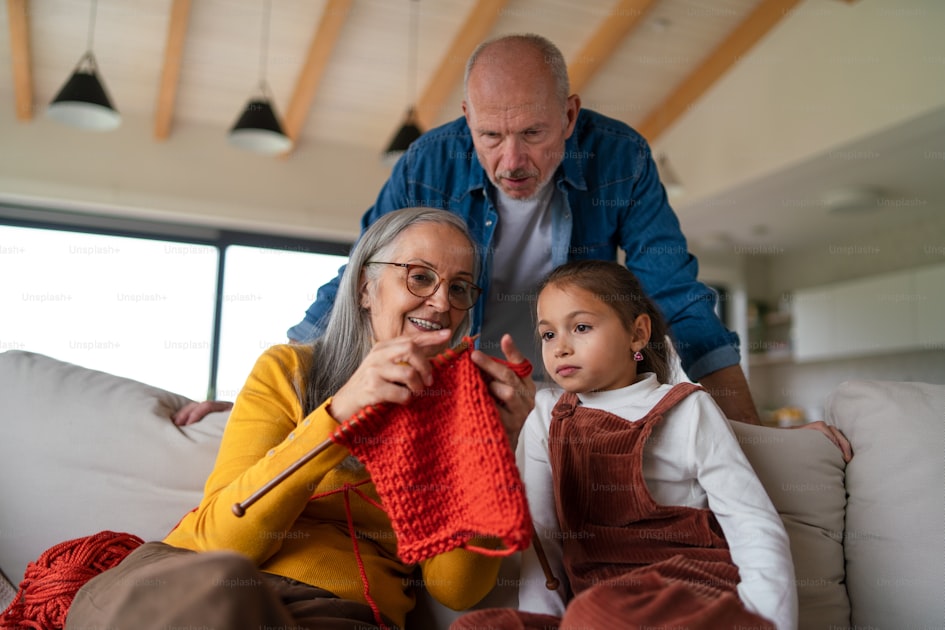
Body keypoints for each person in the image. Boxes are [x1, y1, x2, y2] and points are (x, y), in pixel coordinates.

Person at [284, 32, 849, 460]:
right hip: (457, 384)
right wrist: (269, 403)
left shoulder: (621, 157)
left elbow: (676, 294)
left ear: (569, 115)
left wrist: (753, 437)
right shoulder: (427, 162)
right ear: (467, 120)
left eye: (533, 133)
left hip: (577, 391)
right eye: (491, 136)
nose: (512, 162)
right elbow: (358, 278)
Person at [65, 208, 537, 630]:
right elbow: (221, 542)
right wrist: (337, 416)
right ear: (364, 288)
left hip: (334, 613)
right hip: (191, 587)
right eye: (419, 277)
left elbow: (457, 590)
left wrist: (493, 447)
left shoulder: (454, 419)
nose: (441, 303)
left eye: (459, 288)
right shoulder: (288, 370)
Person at [452, 260, 798, 630]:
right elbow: (545, 542)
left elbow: (753, 524)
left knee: (597, 613)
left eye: (581, 327)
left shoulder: (687, 407)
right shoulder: (544, 414)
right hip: (592, 612)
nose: (560, 348)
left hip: (692, 598)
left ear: (637, 334)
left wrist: (769, 622)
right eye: (548, 334)